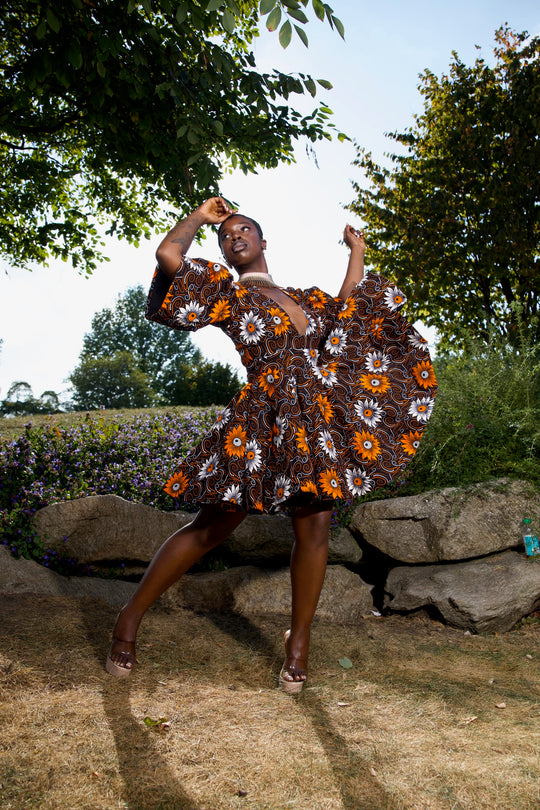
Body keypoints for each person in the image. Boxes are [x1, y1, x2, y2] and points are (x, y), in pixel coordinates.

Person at [106, 196, 436, 692]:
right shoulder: (229, 296)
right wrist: (200, 217)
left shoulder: (304, 298)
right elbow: (169, 258)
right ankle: (128, 620)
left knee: (316, 526)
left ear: (263, 241)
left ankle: (298, 643)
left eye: (243, 230)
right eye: (226, 235)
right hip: (263, 415)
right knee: (211, 527)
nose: (233, 236)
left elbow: (347, 311)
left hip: (314, 420)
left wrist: (357, 252)